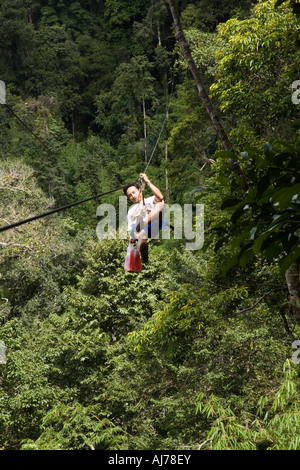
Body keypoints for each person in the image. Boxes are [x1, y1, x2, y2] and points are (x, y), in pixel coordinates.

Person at [123, 173, 164, 263]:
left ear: (140, 190)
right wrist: (132, 238)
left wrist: (147, 181)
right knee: (141, 233)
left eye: (133, 192)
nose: (132, 196)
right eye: (129, 195)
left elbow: (160, 197)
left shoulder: (150, 199)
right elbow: (131, 230)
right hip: (141, 230)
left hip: (155, 222)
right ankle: (143, 255)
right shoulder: (131, 211)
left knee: (159, 204)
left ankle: (144, 222)